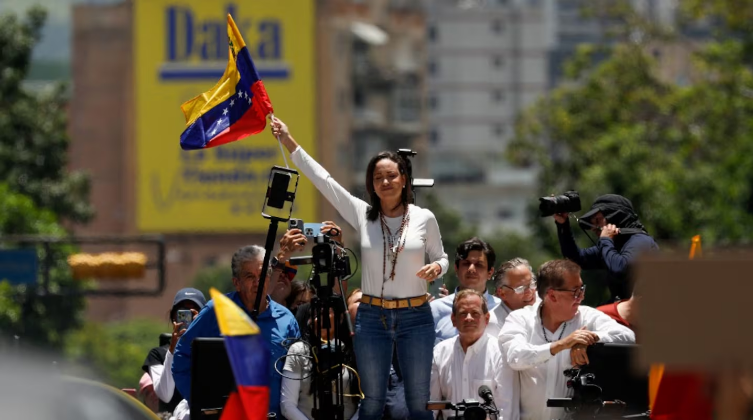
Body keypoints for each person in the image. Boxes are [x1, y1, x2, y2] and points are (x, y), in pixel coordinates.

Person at [272, 117, 448, 420]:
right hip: (372, 316)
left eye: (391, 175)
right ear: (372, 184)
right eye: (378, 177)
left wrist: (436, 267)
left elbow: (442, 257)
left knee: (418, 402)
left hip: (415, 316)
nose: (385, 182)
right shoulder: (363, 214)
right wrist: (289, 140)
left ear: (404, 179)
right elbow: (324, 180)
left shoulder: (424, 218)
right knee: (372, 402)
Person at [172, 238, 302, 418]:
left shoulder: (287, 319)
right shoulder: (215, 310)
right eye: (250, 277)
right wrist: (200, 405)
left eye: (262, 275)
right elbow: (181, 358)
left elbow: (297, 376)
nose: (257, 282)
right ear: (237, 282)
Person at [498, 259, 635, 420]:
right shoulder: (520, 318)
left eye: (582, 289)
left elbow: (628, 336)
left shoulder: (587, 316)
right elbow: (516, 357)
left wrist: (588, 340)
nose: (581, 297)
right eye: (575, 292)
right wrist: (561, 345)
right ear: (552, 295)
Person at [554, 194, 658, 302]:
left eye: (598, 221)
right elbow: (575, 259)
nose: (593, 228)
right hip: (621, 310)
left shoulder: (640, 241)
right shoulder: (611, 245)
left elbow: (619, 269)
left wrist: (605, 240)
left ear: (615, 217)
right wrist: (563, 225)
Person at [430, 289, 508, 420]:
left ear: (487, 318)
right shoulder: (439, 352)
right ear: (453, 319)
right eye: (463, 314)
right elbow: (432, 406)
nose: (469, 318)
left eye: (475, 313)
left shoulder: (500, 353)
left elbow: (506, 409)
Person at [281, 302, 360, 420]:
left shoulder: (354, 350)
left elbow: (367, 402)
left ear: (341, 318)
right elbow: (287, 405)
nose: (319, 320)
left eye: (325, 314)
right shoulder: (298, 350)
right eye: (314, 315)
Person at [141, 288, 206, 416]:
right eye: (182, 312)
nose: (187, 319)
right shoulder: (158, 354)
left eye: (193, 313)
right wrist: (173, 350)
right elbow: (165, 395)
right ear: (173, 317)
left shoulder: (212, 349)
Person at [430, 238, 499, 344]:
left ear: (490, 272)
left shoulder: (502, 310)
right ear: (456, 269)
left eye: (479, 265)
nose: (471, 269)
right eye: (466, 263)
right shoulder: (435, 310)